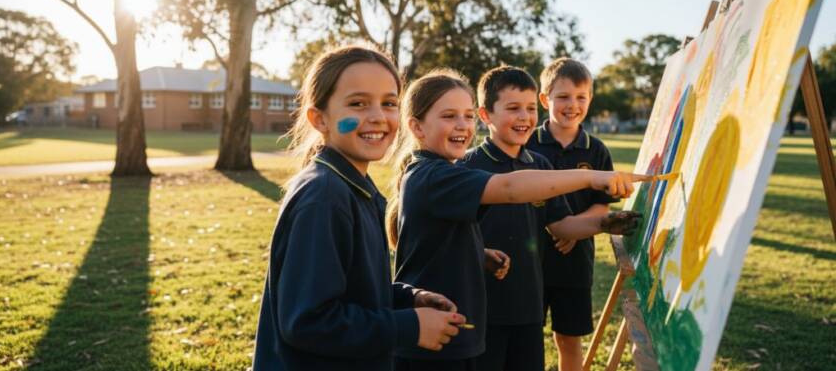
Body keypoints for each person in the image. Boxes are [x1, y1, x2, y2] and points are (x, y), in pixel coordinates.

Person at [387, 69, 639, 371]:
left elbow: (558, 223)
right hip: (452, 324)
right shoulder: (444, 172)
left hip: (497, 312)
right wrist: (589, 177)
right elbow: (509, 187)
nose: (462, 125)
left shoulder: (443, 170)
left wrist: (603, 223)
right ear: (416, 126)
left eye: (467, 116)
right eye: (449, 116)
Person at [252, 45, 465, 371]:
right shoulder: (324, 196)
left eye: (389, 103)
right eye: (358, 104)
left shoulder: (353, 187)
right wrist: (409, 327)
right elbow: (307, 321)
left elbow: (350, 290)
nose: (378, 116)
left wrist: (407, 298)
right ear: (319, 118)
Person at [526, 58, 621, 371]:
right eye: (563, 97)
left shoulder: (597, 150)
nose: (572, 105)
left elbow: (601, 205)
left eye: (581, 97)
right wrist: (558, 229)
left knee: (569, 338)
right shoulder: (527, 144)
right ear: (545, 100)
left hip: (575, 260)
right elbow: (516, 195)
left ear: (590, 99)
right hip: (531, 257)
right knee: (526, 336)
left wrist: (575, 230)